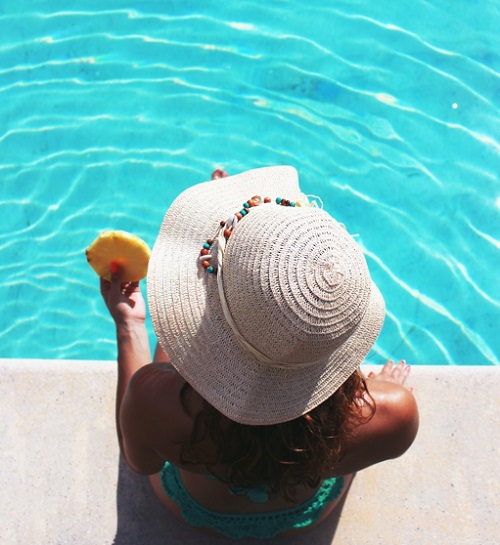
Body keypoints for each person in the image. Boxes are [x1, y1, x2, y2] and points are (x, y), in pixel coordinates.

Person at [100, 166, 418, 539]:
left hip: (195, 508)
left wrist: (129, 325)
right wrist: (380, 393)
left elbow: (140, 464)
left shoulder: (154, 400)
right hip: (305, 512)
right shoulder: (394, 414)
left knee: (179, 344)